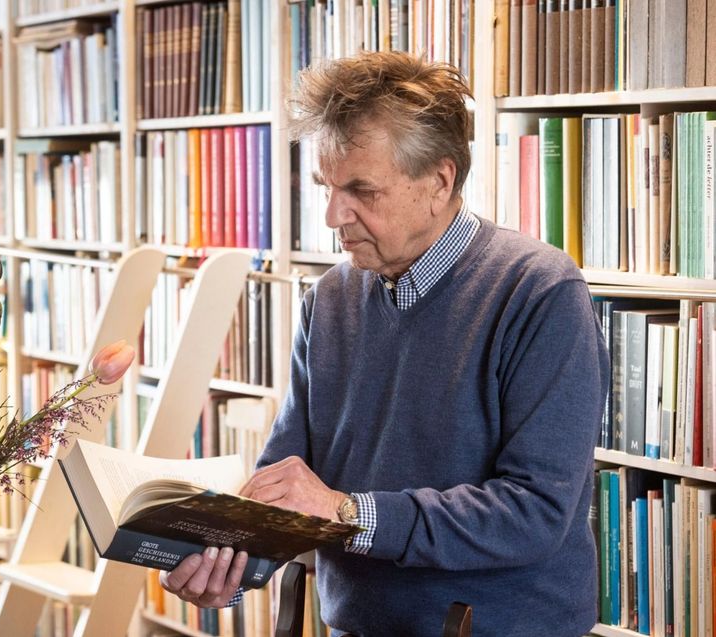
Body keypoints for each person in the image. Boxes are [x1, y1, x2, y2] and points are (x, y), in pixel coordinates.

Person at [159, 51, 610, 637]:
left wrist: (348, 514)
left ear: (439, 181)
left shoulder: (541, 293)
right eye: (326, 186)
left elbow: (533, 513)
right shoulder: (328, 301)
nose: (331, 215)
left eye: (361, 190)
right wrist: (231, 561)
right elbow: (288, 482)